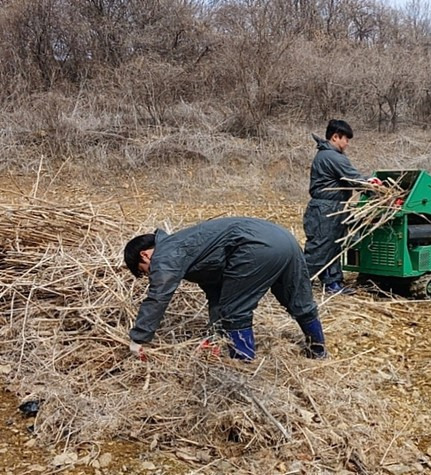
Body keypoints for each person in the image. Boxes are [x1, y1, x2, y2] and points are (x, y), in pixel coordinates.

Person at [123, 217, 326, 361]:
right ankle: (318, 351)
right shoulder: (189, 246)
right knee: (296, 298)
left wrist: (139, 337)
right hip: (283, 237)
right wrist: (215, 334)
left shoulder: (166, 254)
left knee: (235, 311)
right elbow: (217, 293)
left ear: (145, 256)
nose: (152, 275)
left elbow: (158, 296)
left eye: (145, 271)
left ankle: (242, 360)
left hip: (255, 246)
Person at [303, 119, 380, 294]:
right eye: (346, 139)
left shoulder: (328, 155)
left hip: (335, 207)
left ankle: (332, 283)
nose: (347, 144)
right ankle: (295, 283)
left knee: (333, 246)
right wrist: (372, 185)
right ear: (336, 137)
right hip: (326, 209)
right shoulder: (332, 157)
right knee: (320, 247)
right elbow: (353, 178)